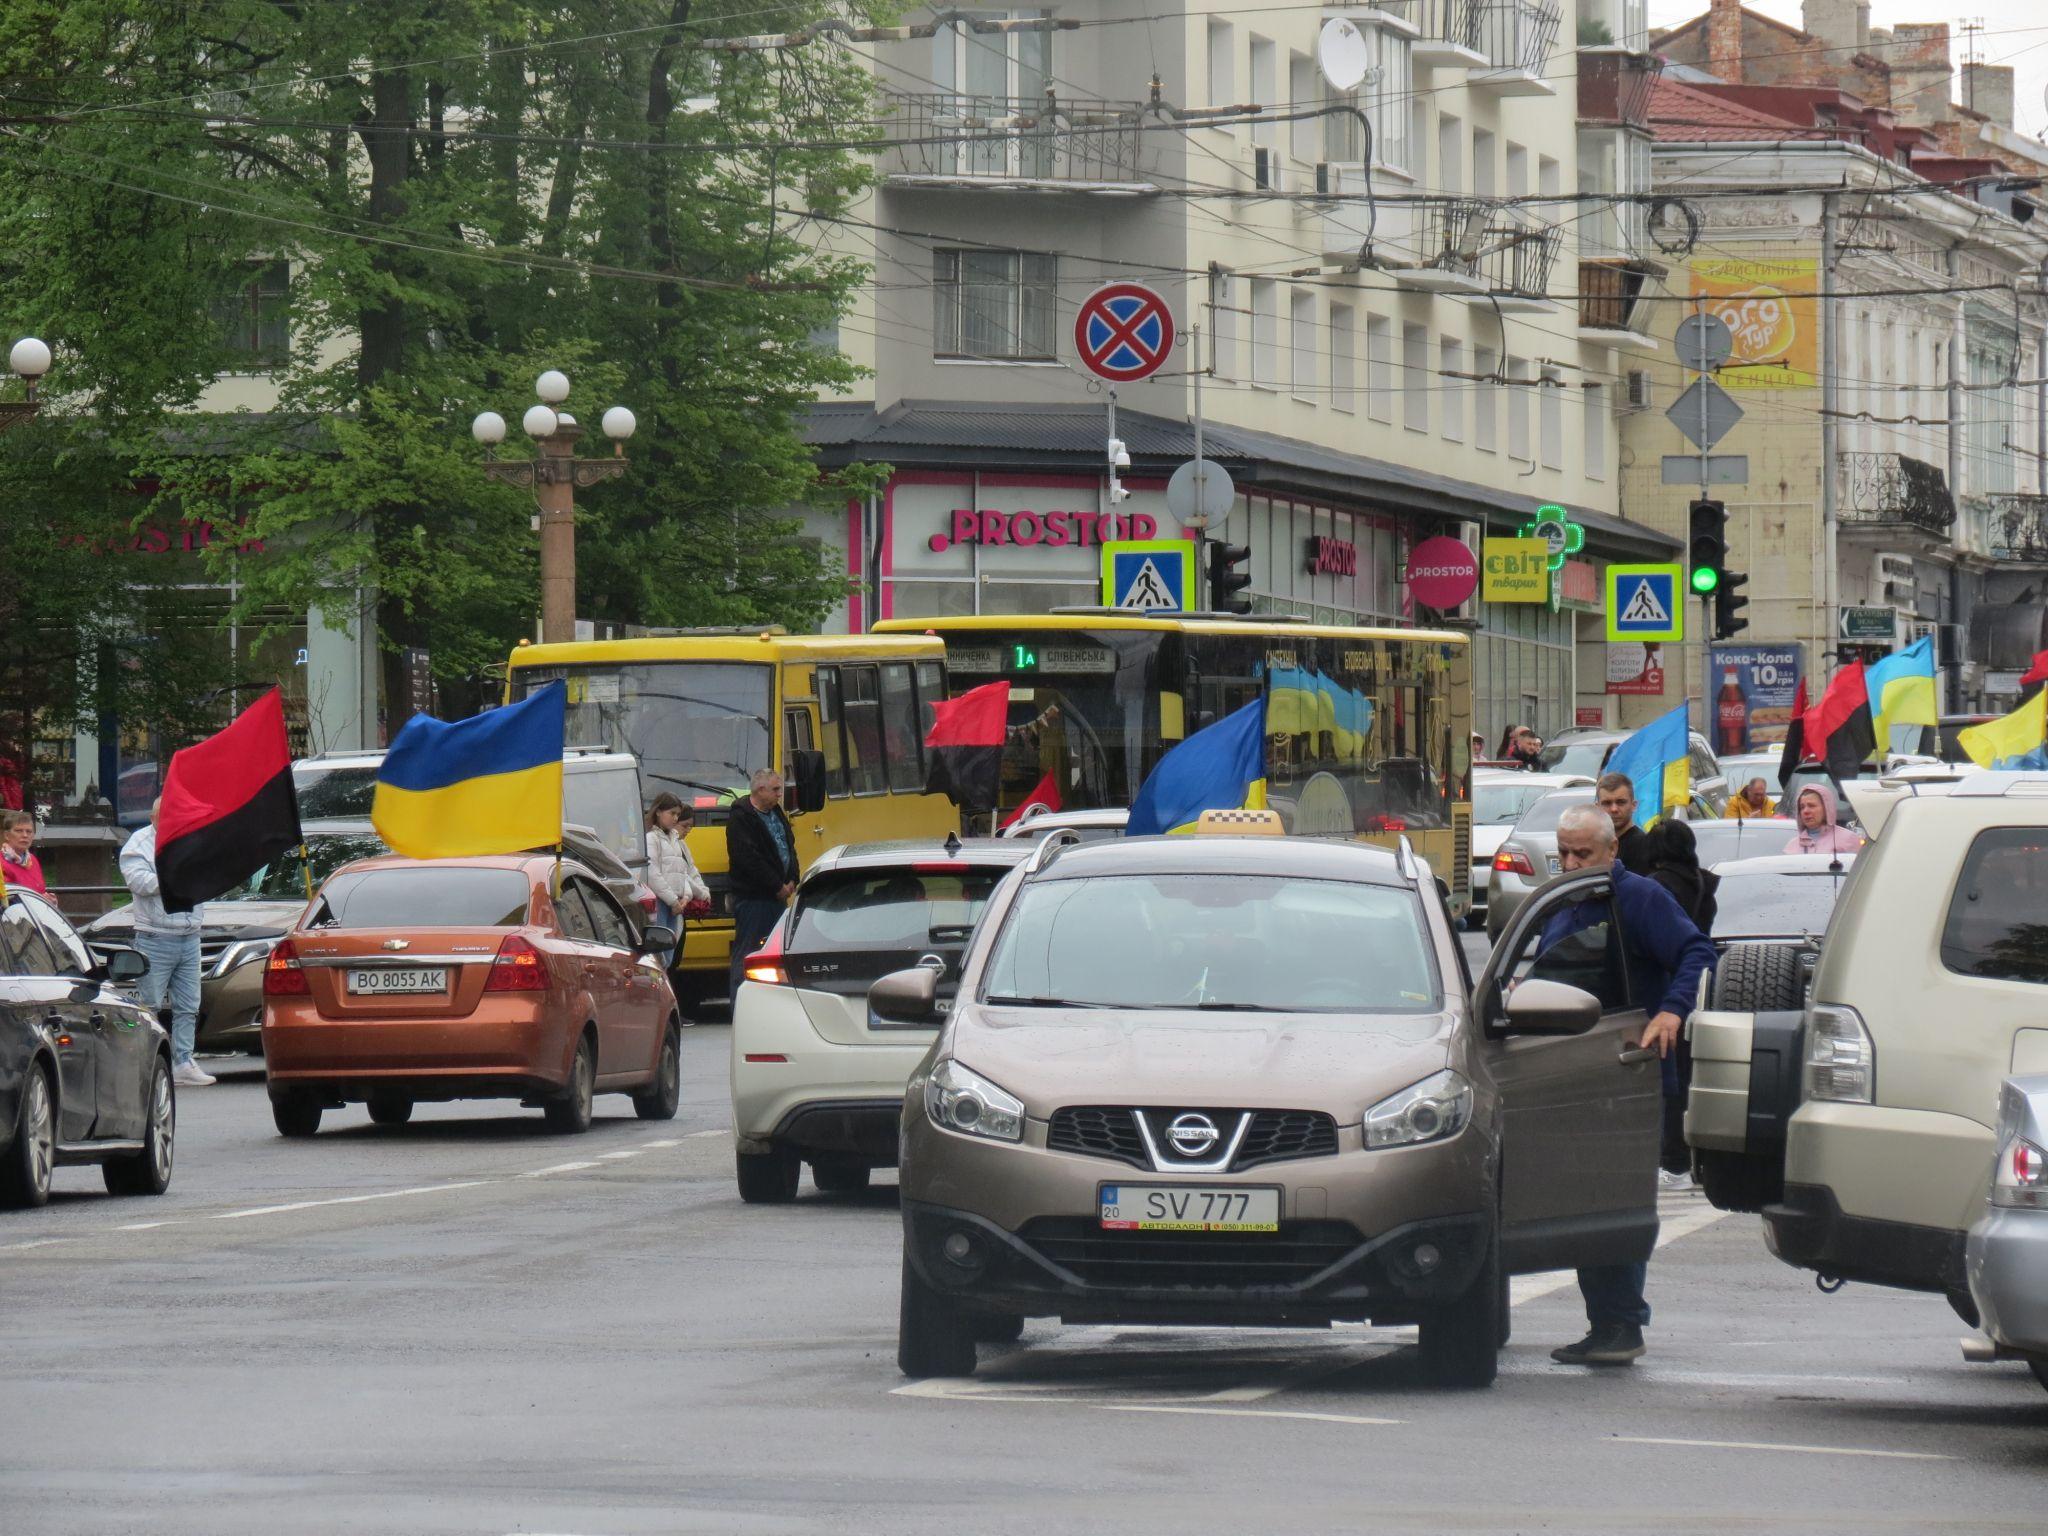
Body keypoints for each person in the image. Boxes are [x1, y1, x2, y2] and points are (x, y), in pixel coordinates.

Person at [1542, 804, 1716, 1367]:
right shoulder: (1566, 900)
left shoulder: (1638, 897)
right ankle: (1606, 1322)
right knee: (1583, 1203)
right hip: (1575, 1074)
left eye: (1582, 854)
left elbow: (1695, 951)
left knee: (1612, 1203)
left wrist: (1671, 1011)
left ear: (1611, 851)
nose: (1570, 863)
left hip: (1628, 1075)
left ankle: (1621, 1322)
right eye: (1563, 853)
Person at [1642, 818, 1718, 1189]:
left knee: (1667, 1078)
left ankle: (1671, 1159)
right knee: (1687, 1074)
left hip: (1668, 988)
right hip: (1697, 987)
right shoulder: (1703, 881)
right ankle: (1688, 1157)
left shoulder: (1656, 888)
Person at [119, 797, 212, 1087]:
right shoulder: (138, 843)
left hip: (189, 934)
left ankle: (183, 1060)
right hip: (155, 935)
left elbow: (208, 874)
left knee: (188, 1005)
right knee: (149, 1004)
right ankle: (150, 1060)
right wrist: (174, 878)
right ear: (152, 816)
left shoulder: (191, 840)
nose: (171, 820)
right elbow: (139, 882)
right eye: (164, 815)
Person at [725, 769, 798, 1003]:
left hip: (777, 897)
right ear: (760, 790)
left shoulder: (776, 812)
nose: (780, 794)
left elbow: (789, 845)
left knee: (776, 953)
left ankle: (773, 1002)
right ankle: (742, 1003)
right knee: (748, 953)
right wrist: (776, 885)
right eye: (776, 789)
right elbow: (748, 858)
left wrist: (792, 878)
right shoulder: (741, 817)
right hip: (753, 899)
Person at [644, 793, 709, 975]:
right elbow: (652, 874)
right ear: (658, 812)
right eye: (671, 813)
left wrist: (685, 897)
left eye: (677, 814)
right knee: (659, 957)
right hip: (661, 904)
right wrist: (673, 901)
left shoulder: (674, 840)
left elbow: (682, 873)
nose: (674, 818)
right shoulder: (652, 839)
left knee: (669, 957)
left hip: (675, 905)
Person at [1594, 772, 1653, 873]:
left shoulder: (1644, 847)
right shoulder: (1595, 844)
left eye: (1621, 802)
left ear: (1633, 805)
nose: (1614, 809)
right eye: (1607, 803)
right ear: (1597, 807)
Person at [1783, 783, 1861, 855]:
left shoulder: (1848, 839)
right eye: (1802, 807)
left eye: (1811, 806)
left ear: (1826, 808)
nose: (1805, 811)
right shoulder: (1791, 846)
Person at [1, 811, 47, 895]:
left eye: (29, 831)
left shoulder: (33, 860)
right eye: (19, 831)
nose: (25, 835)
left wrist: (48, 899)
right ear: (6, 835)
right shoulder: (1, 862)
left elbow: (41, 890)